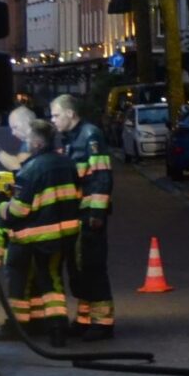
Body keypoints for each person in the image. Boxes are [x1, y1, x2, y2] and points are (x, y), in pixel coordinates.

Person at [0, 118, 78, 345]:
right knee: (52, 281)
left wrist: (1, 205)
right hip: (63, 236)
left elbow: (19, 210)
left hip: (32, 238)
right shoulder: (67, 164)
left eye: (27, 140)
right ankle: (57, 327)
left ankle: (20, 326)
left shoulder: (30, 171)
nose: (25, 143)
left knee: (21, 278)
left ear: (37, 143)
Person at [54, 95, 115, 339]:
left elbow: (101, 177)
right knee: (78, 267)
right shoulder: (70, 139)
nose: (53, 120)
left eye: (56, 115)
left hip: (89, 215)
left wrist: (97, 213)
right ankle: (84, 319)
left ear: (70, 114)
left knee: (93, 266)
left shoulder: (90, 136)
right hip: (76, 215)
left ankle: (102, 323)